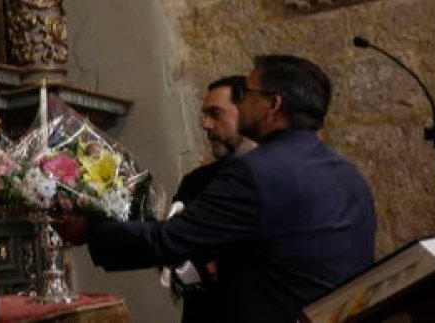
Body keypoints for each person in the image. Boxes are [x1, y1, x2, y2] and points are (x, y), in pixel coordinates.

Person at [55, 55, 376, 323]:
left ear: (272, 105)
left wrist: (91, 231)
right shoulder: (349, 175)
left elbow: (170, 240)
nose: (242, 101)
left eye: (248, 93)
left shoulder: (256, 172)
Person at [164, 75, 255, 323]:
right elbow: (171, 248)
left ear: (246, 113)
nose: (205, 124)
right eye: (204, 115)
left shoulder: (273, 180)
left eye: (215, 114)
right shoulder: (194, 183)